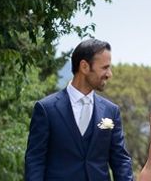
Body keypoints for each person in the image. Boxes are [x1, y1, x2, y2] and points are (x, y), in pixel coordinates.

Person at [24, 39, 134, 181]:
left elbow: (120, 160)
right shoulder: (46, 109)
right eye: (104, 67)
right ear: (84, 66)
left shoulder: (111, 111)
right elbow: (35, 160)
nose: (109, 74)